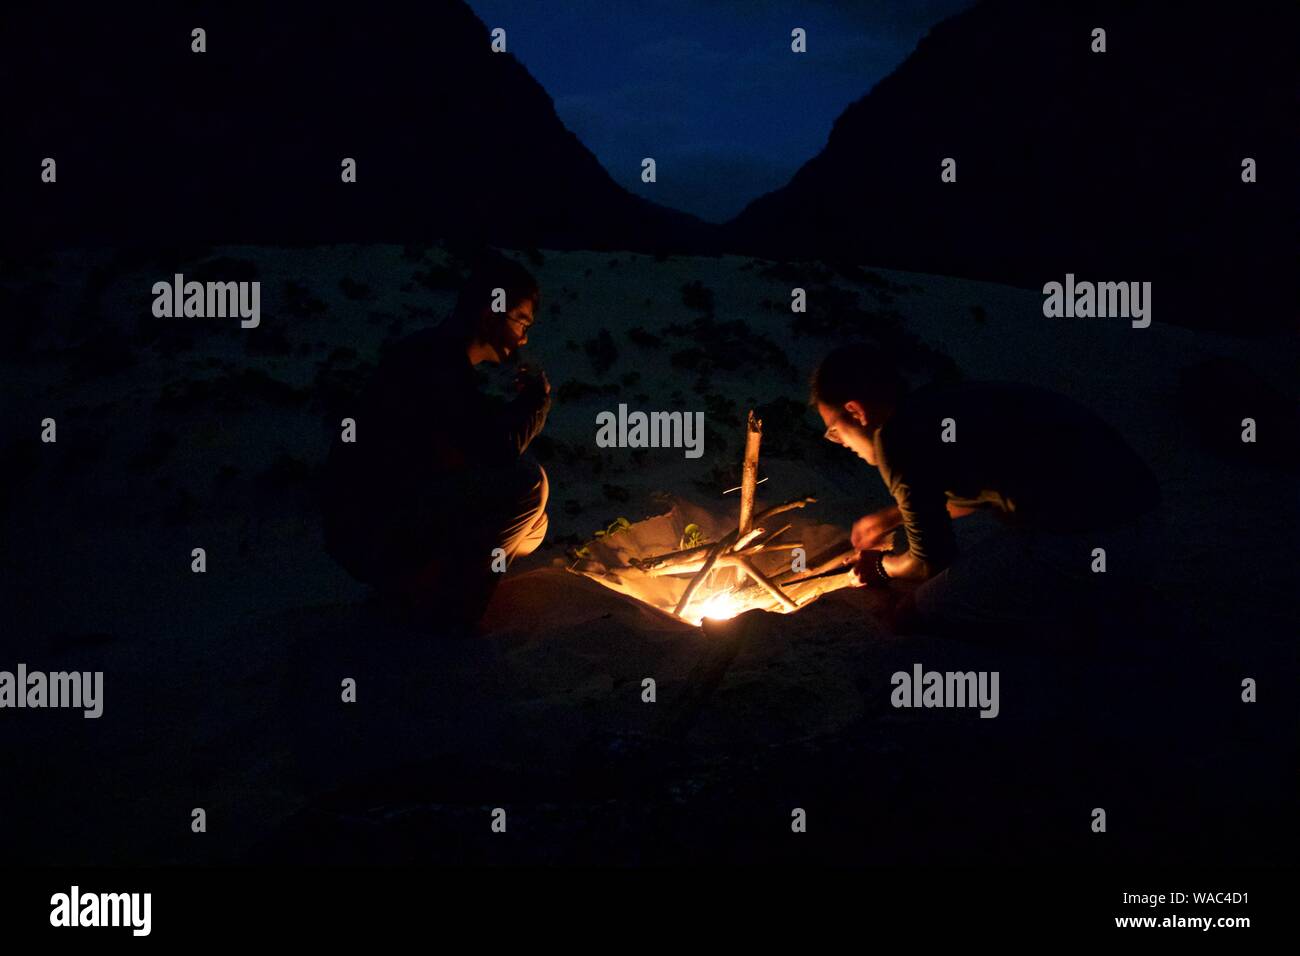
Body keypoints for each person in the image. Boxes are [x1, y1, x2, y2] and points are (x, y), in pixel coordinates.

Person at [811, 344, 1162, 638]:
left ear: (855, 411)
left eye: (834, 431)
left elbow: (931, 561)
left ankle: (1082, 623)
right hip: (1144, 515)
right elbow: (975, 485)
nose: (839, 443)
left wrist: (882, 567)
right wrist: (892, 517)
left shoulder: (895, 437)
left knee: (911, 614)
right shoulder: (938, 402)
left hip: (1091, 535)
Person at [321, 253, 551, 632]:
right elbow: (498, 450)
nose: (524, 336)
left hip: (385, 514)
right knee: (528, 484)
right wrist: (536, 402)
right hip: (372, 527)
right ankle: (450, 611)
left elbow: (476, 437)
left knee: (535, 526)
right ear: (490, 313)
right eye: (521, 321)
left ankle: (426, 583)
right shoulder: (436, 364)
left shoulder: (436, 355)